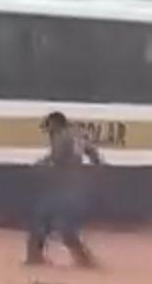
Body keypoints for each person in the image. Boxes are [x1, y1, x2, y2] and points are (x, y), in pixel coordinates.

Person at [26, 112, 102, 267]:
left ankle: (34, 258)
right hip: (76, 184)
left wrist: (41, 164)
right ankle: (84, 260)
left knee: (42, 218)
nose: (49, 132)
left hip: (61, 183)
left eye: (50, 127)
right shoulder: (77, 134)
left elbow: (56, 158)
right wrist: (96, 171)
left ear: (56, 124)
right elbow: (93, 154)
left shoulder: (61, 136)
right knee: (64, 225)